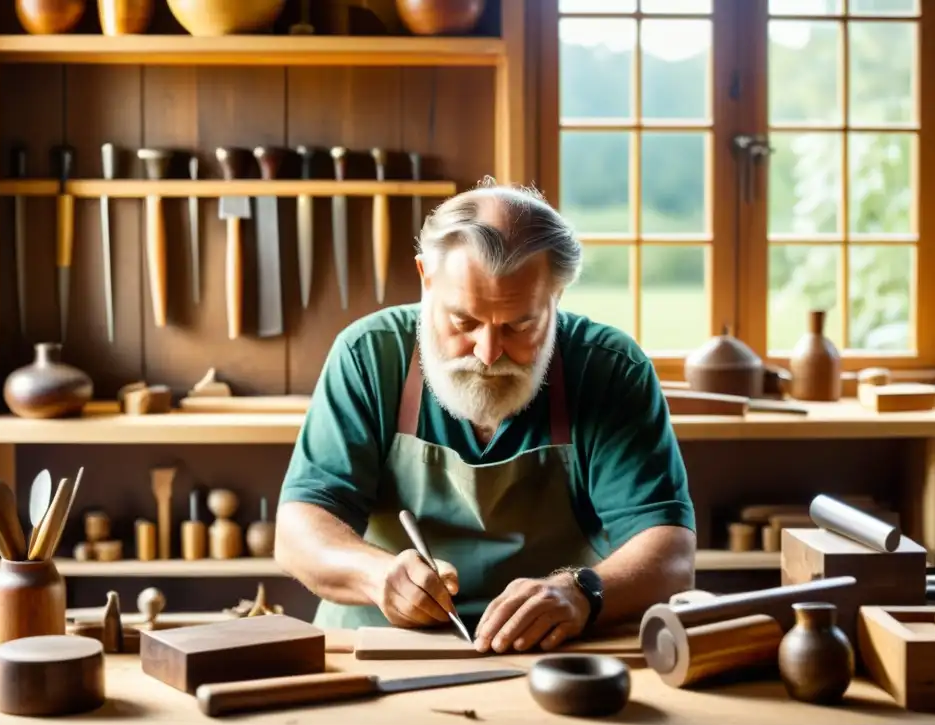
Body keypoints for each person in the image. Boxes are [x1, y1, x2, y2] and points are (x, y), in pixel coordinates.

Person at [275, 180, 696, 655]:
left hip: (550, 651)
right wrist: (376, 576)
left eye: (519, 325)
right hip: (377, 645)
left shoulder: (611, 369)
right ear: (425, 277)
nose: (489, 352)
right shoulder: (370, 354)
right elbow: (297, 531)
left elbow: (671, 557)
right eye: (463, 322)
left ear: (557, 294)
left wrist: (580, 592)